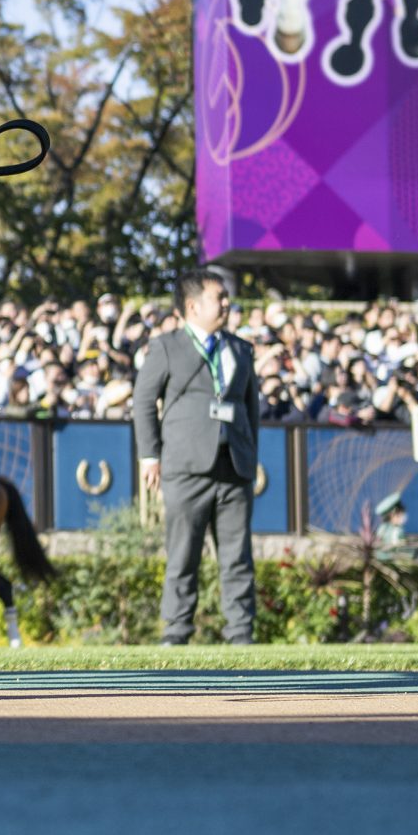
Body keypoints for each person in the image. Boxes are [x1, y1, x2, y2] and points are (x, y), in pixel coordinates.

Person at [132, 268, 264, 645]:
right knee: (182, 556)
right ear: (192, 305)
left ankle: (241, 633)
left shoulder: (241, 348)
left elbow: (251, 408)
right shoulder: (166, 346)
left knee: (238, 557)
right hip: (185, 467)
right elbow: (143, 403)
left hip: (234, 466)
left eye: (226, 297)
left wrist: (251, 455)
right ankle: (176, 633)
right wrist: (149, 457)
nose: (226, 303)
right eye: (218, 297)